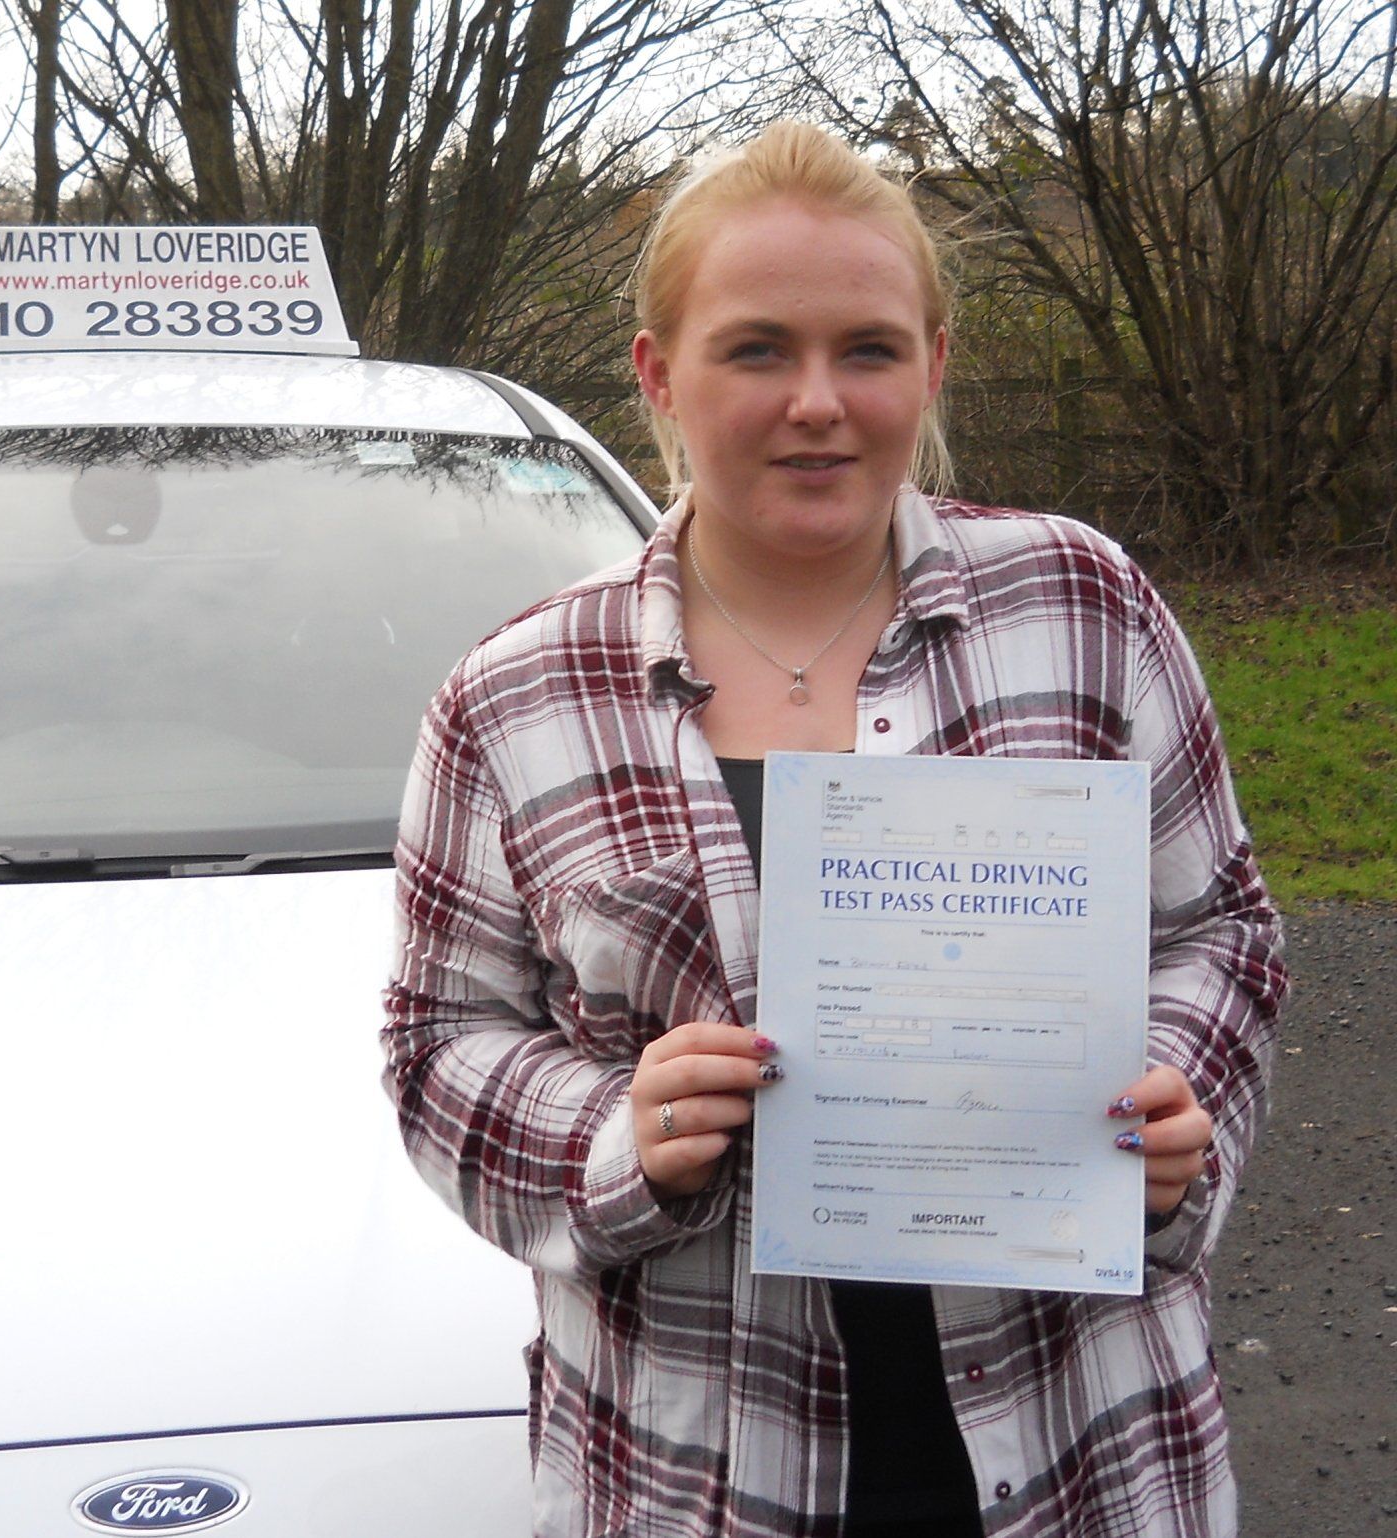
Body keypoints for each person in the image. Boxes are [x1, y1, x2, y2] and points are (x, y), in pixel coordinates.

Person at [382, 120, 1286, 1538]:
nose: (818, 400)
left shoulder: (1082, 606)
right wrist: (614, 1129)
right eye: (755, 350)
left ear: (931, 364)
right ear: (657, 374)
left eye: (866, 348)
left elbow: (1219, 926)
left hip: (1084, 1452)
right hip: (695, 1475)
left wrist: (1178, 1099)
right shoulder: (514, 697)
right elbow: (438, 1044)